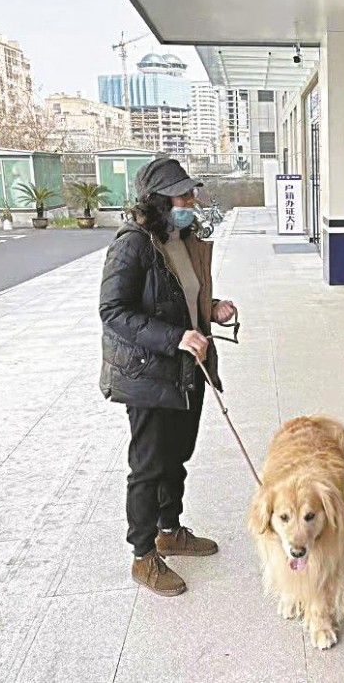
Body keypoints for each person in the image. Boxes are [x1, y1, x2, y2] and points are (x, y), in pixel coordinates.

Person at [99, 157, 238, 597]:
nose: (191, 202)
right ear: (158, 201)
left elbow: (186, 297)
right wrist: (176, 336)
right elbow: (113, 311)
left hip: (186, 371)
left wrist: (212, 311)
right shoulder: (133, 244)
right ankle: (143, 556)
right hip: (149, 373)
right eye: (182, 196)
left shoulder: (184, 238)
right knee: (148, 466)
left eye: (191, 194)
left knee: (177, 455)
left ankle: (169, 530)